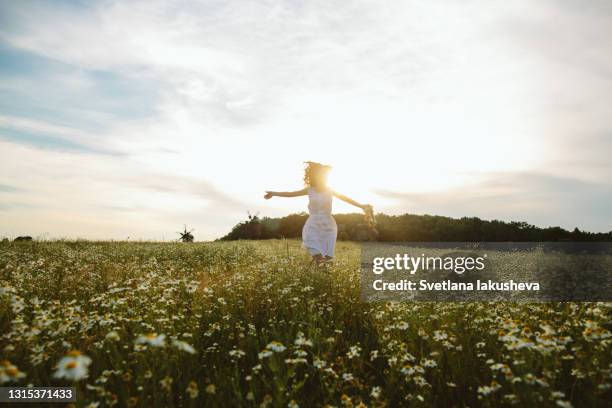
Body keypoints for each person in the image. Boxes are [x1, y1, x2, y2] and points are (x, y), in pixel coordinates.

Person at [264, 161, 372, 265]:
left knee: (328, 258)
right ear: (315, 177)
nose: (321, 178)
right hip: (313, 225)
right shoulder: (310, 190)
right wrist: (274, 193)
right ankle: (319, 272)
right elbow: (290, 194)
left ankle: (321, 277)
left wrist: (361, 206)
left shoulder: (331, 190)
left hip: (328, 225)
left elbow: (346, 199)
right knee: (317, 254)